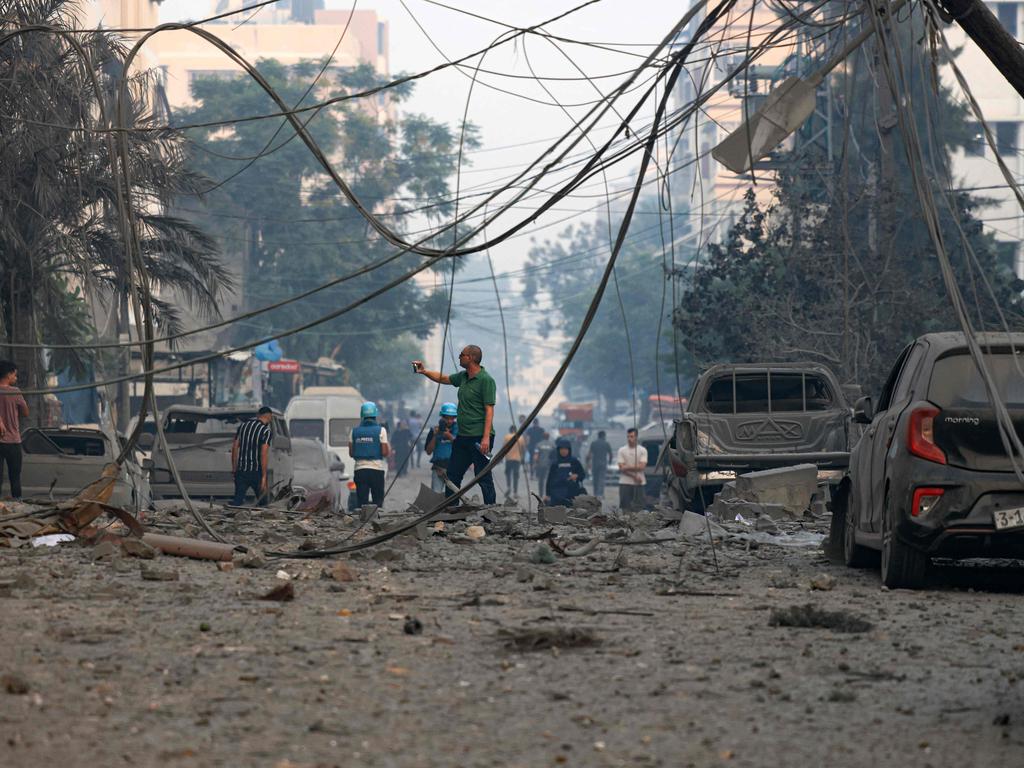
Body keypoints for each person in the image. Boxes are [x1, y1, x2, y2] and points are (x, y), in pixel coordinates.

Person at [412, 345, 497, 504]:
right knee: (453, 474)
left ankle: (490, 509)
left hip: (480, 437)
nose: (459, 357)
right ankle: (451, 508)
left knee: (482, 474)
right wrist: (424, 371)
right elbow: (444, 378)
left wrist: (486, 438)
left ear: (470, 358)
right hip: (463, 436)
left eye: (461, 355)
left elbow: (489, 410)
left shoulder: (486, 380)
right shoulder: (463, 377)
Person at [348, 401, 390, 506]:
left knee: (362, 502)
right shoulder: (381, 430)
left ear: (362, 415)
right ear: (375, 415)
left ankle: (363, 521)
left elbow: (351, 453)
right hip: (377, 470)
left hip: (360, 471)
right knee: (378, 502)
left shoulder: (353, 431)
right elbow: (385, 452)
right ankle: (375, 520)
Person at [231, 406, 273, 506]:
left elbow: (234, 448)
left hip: (241, 471)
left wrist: (234, 468)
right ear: (269, 417)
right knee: (263, 503)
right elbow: (263, 454)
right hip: (256, 472)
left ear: (259, 415)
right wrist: (263, 477)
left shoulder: (243, 427)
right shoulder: (266, 431)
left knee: (237, 501)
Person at [0, 361, 29, 499]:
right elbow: (26, 412)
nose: (16, 378)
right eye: (15, 375)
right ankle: (18, 504)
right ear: (9, 374)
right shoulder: (15, 392)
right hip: (13, 441)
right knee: (15, 477)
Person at [424, 403, 457, 493]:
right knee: (436, 493)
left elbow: (460, 446)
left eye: (452, 418)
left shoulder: (459, 430)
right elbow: (428, 451)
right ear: (442, 417)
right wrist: (435, 435)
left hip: (453, 469)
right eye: (447, 418)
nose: (449, 421)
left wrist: (448, 435)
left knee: (452, 495)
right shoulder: (434, 430)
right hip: (438, 468)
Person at [545, 438, 586, 507]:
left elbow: (582, 475)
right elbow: (550, 480)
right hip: (556, 495)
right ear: (558, 450)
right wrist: (548, 494)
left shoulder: (574, 462)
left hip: (571, 494)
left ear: (569, 450)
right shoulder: (555, 463)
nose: (563, 451)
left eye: (565, 449)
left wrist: (576, 476)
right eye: (561, 449)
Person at [617, 427, 649, 511]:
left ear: (636, 437)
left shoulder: (642, 450)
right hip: (625, 482)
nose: (629, 439)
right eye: (628, 436)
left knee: (639, 507)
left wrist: (627, 467)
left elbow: (642, 467)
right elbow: (621, 468)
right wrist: (634, 475)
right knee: (625, 508)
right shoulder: (622, 450)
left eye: (631, 436)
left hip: (639, 483)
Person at [585, 430, 613, 498]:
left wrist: (587, 462)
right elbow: (610, 454)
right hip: (603, 463)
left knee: (595, 479)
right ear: (604, 436)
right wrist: (609, 462)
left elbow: (589, 454)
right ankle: (600, 494)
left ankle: (595, 493)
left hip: (595, 463)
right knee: (601, 479)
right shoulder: (606, 443)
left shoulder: (593, 443)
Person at [502, 425, 526, 499]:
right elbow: (523, 449)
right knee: (516, 476)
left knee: (508, 474)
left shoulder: (506, 437)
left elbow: (504, 448)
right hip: (517, 459)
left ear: (510, 430)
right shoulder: (521, 438)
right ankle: (515, 492)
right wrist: (523, 458)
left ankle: (509, 486)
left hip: (508, 459)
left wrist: (502, 458)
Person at [533, 431, 554, 497]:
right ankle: (548, 494)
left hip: (541, 465)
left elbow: (536, 455)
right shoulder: (552, 445)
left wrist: (535, 463)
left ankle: (541, 494)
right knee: (549, 480)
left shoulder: (539, 444)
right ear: (548, 437)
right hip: (549, 465)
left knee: (541, 480)